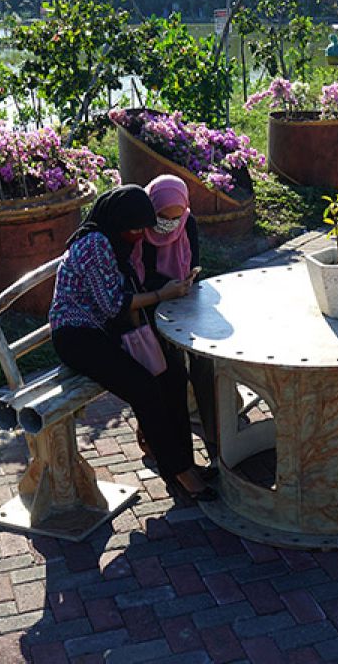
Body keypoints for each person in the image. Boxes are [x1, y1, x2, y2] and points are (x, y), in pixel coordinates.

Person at [48, 185, 215, 502]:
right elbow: (114, 304)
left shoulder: (114, 241)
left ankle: (183, 462)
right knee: (145, 388)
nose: (140, 234)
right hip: (77, 335)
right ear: (119, 221)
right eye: (135, 228)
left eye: (143, 227)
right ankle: (178, 471)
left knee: (174, 376)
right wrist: (163, 294)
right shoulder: (96, 244)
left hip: (107, 330)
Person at [133, 175, 219, 469]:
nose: (169, 224)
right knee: (170, 368)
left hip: (184, 300)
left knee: (205, 363)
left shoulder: (188, 224)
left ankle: (215, 439)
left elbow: (193, 263)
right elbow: (140, 276)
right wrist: (165, 290)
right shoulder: (140, 228)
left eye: (175, 217)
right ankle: (173, 444)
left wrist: (185, 283)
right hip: (151, 305)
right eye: (162, 217)